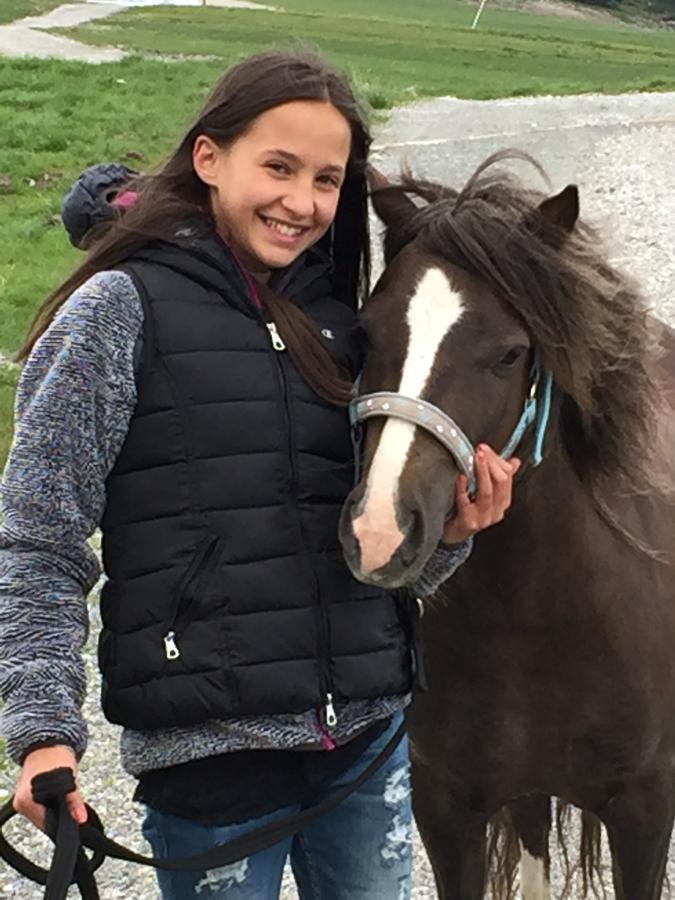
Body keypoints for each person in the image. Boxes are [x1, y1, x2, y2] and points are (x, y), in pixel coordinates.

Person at [0, 50, 520, 899]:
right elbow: (37, 539)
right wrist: (45, 733)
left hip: (365, 739)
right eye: (277, 167)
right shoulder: (116, 311)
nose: (302, 202)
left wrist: (450, 539)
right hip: (211, 758)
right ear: (209, 158)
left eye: (326, 178)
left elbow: (369, 553)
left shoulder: (343, 320)